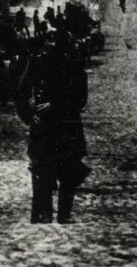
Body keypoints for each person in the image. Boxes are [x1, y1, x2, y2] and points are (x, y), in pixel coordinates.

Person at [15, 28, 91, 224]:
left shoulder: (73, 65)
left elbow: (80, 98)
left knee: (68, 172)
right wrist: (30, 116)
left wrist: (55, 105)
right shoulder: (37, 62)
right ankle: (43, 214)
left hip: (66, 127)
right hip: (45, 127)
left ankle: (64, 215)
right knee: (41, 171)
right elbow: (20, 93)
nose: (51, 49)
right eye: (48, 44)